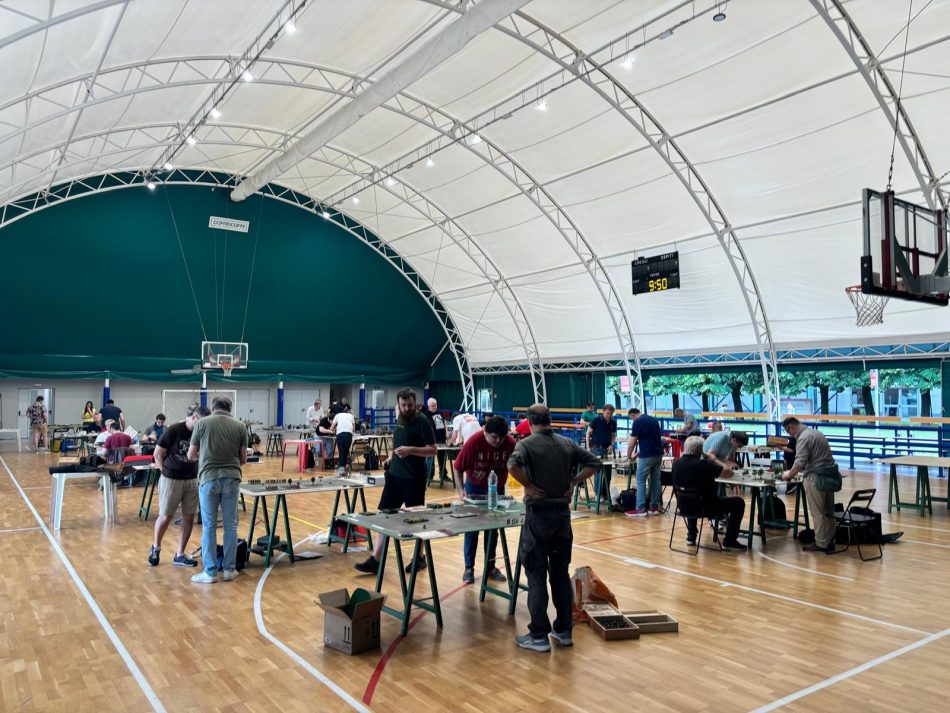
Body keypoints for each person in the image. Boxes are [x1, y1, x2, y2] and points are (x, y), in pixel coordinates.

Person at [507, 404, 601, 652]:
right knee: (559, 574)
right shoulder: (566, 443)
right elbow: (595, 463)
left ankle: (538, 634)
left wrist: (528, 486)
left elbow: (512, 466)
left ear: (530, 420)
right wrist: (573, 481)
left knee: (536, 574)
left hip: (538, 515)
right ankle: (563, 630)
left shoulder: (526, 444)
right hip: (562, 518)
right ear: (550, 419)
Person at [354, 388, 436, 575]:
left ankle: (420, 557)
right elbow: (399, 443)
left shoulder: (422, 422)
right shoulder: (399, 417)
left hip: (413, 478)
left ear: (415, 403)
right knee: (384, 515)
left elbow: (432, 450)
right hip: (395, 475)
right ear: (398, 405)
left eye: (410, 405)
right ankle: (376, 559)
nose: (407, 408)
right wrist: (392, 458)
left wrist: (410, 450)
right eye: (403, 405)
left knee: (417, 519)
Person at [188, 396, 248, 583]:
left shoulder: (202, 423)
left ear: (213, 407)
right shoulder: (240, 426)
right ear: (230, 407)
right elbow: (243, 458)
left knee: (209, 526)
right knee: (230, 526)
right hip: (232, 478)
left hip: (208, 478)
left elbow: (191, 454)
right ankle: (229, 570)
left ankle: (210, 572)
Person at [453, 415, 516, 584]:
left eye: (501, 437)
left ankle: (490, 567)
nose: (498, 441)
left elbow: (520, 465)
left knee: (493, 531)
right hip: (475, 487)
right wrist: (460, 490)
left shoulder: (510, 444)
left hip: (497, 490)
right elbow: (458, 467)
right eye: (494, 437)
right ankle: (468, 568)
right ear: (485, 431)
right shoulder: (474, 442)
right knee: (472, 530)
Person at [147, 405, 211, 568]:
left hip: (191, 480)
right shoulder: (174, 430)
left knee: (189, 517)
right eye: (202, 423)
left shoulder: (202, 431)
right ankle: (156, 547)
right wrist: (164, 472)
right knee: (165, 517)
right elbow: (157, 454)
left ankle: (180, 554)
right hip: (171, 479)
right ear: (194, 418)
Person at [672, 436, 747, 551]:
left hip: (683, 506)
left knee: (692, 496)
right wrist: (712, 459)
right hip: (706, 507)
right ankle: (730, 540)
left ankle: (691, 536)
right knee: (738, 502)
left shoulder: (676, 463)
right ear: (699, 450)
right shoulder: (703, 465)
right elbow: (728, 473)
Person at [780, 417, 837, 553]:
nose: (790, 434)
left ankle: (821, 543)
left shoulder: (803, 438)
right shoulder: (816, 433)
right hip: (829, 476)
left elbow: (800, 461)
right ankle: (830, 540)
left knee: (818, 512)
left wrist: (789, 475)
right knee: (829, 511)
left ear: (792, 427)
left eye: (788, 431)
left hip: (815, 477)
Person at [625, 408, 664, 516]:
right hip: (658, 454)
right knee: (655, 479)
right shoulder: (653, 420)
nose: (632, 421)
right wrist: (637, 454)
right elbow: (650, 440)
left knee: (641, 479)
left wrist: (629, 456)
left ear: (633, 415)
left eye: (631, 418)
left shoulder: (638, 422)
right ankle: (654, 507)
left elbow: (632, 442)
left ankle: (640, 508)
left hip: (647, 455)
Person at [586, 404, 617, 500]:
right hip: (596, 448)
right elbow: (588, 433)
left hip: (607, 450)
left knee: (608, 472)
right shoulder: (596, 420)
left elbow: (613, 435)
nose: (609, 415)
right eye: (607, 413)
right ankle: (597, 494)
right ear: (603, 411)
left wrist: (612, 445)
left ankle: (605, 493)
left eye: (611, 414)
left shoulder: (613, 422)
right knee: (598, 471)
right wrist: (588, 447)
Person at [421, 398, 448, 483]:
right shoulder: (426, 415)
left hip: (442, 439)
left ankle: (443, 474)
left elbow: (444, 423)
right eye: (432, 406)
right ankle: (429, 475)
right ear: (428, 406)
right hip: (432, 441)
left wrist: (446, 434)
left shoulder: (440, 412)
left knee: (442, 457)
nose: (434, 407)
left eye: (435, 405)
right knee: (430, 458)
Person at [331, 407, 356, 473]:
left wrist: (334, 429)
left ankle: (342, 467)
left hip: (340, 434)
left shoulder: (337, 415)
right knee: (346, 451)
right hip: (349, 434)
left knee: (341, 450)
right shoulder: (351, 416)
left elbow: (331, 428)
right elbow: (353, 429)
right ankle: (345, 466)